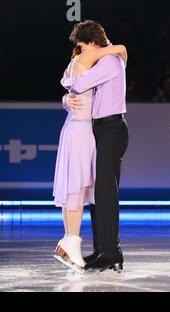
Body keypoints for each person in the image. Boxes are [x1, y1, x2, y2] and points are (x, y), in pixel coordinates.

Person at [53, 38, 127, 271]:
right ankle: (97, 248)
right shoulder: (90, 59)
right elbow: (76, 89)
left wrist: (67, 97)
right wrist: (67, 99)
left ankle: (105, 250)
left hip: (97, 128)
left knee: (95, 191)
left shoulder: (101, 61)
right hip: (87, 129)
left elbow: (74, 86)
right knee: (90, 190)